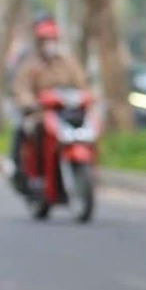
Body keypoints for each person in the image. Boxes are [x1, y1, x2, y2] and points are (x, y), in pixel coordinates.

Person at [9, 18, 89, 193]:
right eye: (46, 41)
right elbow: (21, 89)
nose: (50, 45)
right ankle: (33, 175)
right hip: (41, 113)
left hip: (66, 112)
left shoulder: (68, 63)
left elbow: (82, 84)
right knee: (30, 130)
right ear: (39, 42)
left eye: (52, 40)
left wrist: (88, 97)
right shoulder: (30, 65)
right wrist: (29, 102)